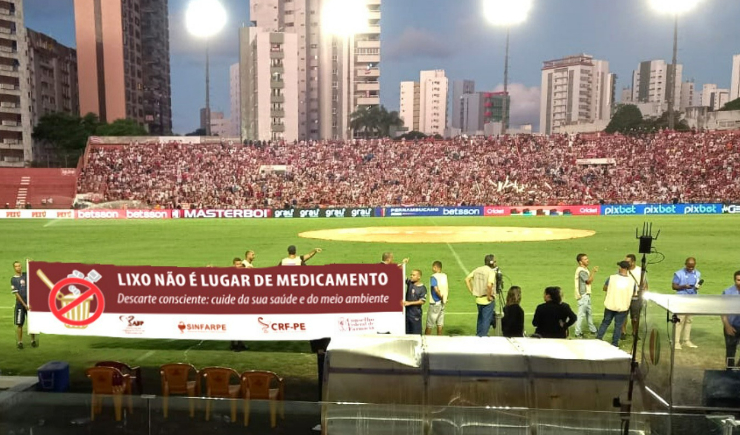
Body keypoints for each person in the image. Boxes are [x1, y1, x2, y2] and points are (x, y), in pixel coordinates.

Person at [596, 261, 635, 347]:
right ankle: (614, 343)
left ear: (621, 268)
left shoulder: (612, 278)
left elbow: (604, 288)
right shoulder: (632, 281)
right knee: (618, 326)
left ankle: (598, 338)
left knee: (605, 322)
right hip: (623, 307)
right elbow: (634, 293)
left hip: (611, 304)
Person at [672, 257, 702, 349]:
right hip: (681, 299)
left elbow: (696, 285)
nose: (690, 268)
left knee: (689, 320)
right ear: (685, 264)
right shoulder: (678, 274)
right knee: (679, 320)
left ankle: (686, 340)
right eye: (689, 267)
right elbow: (674, 286)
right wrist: (683, 286)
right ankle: (676, 342)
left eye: (692, 267)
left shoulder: (697, 273)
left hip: (692, 299)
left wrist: (697, 287)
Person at [465, 254, 497, 337]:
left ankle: (478, 336)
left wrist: (472, 291)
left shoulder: (478, 269)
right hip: (487, 301)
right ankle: (482, 338)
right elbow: (489, 285)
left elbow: (467, 279)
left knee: (480, 319)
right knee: (486, 321)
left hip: (478, 299)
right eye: (495, 261)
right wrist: (489, 296)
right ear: (492, 262)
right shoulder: (491, 272)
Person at [621, 254, 648, 340]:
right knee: (623, 316)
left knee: (635, 317)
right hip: (625, 296)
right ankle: (623, 332)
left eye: (628, 261)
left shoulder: (640, 270)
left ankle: (634, 332)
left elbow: (645, 284)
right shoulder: (623, 270)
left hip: (636, 297)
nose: (626, 263)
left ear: (633, 262)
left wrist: (645, 294)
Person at [11, 261, 37, 349]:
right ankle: (20, 342)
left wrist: (30, 264)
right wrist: (24, 304)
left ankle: (33, 340)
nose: (18, 267)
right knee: (19, 324)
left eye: (19, 266)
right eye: (16, 266)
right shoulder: (13, 279)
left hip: (29, 304)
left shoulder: (25, 275)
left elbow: (34, 273)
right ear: (14, 268)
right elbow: (17, 294)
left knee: (32, 323)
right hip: (20, 305)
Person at [573, 253, 598, 338]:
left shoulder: (584, 269)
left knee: (589, 313)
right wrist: (593, 272)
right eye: (585, 259)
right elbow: (588, 281)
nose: (587, 260)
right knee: (581, 315)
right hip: (583, 295)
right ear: (580, 262)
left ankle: (593, 329)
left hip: (586, 295)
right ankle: (577, 332)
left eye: (587, 258)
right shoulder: (581, 270)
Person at [721, 271, 740, 368]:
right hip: (731, 326)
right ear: (734, 280)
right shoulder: (728, 292)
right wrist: (727, 325)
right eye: (738, 280)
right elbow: (722, 310)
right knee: (730, 352)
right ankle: (730, 373)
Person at [425, 261, 448, 336]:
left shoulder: (434, 277)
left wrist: (440, 298)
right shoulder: (444, 276)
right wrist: (444, 299)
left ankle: (425, 341)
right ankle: (439, 340)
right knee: (440, 323)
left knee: (429, 324)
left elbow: (436, 289)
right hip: (443, 302)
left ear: (435, 267)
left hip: (435, 302)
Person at [402, 269, 426, 334]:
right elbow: (402, 275)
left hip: (415, 315)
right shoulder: (410, 283)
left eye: (413, 275)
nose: (411, 276)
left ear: (419, 277)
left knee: (416, 334)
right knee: (406, 333)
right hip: (407, 314)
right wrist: (403, 264)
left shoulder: (422, 288)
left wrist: (409, 303)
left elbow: (422, 301)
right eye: (411, 275)